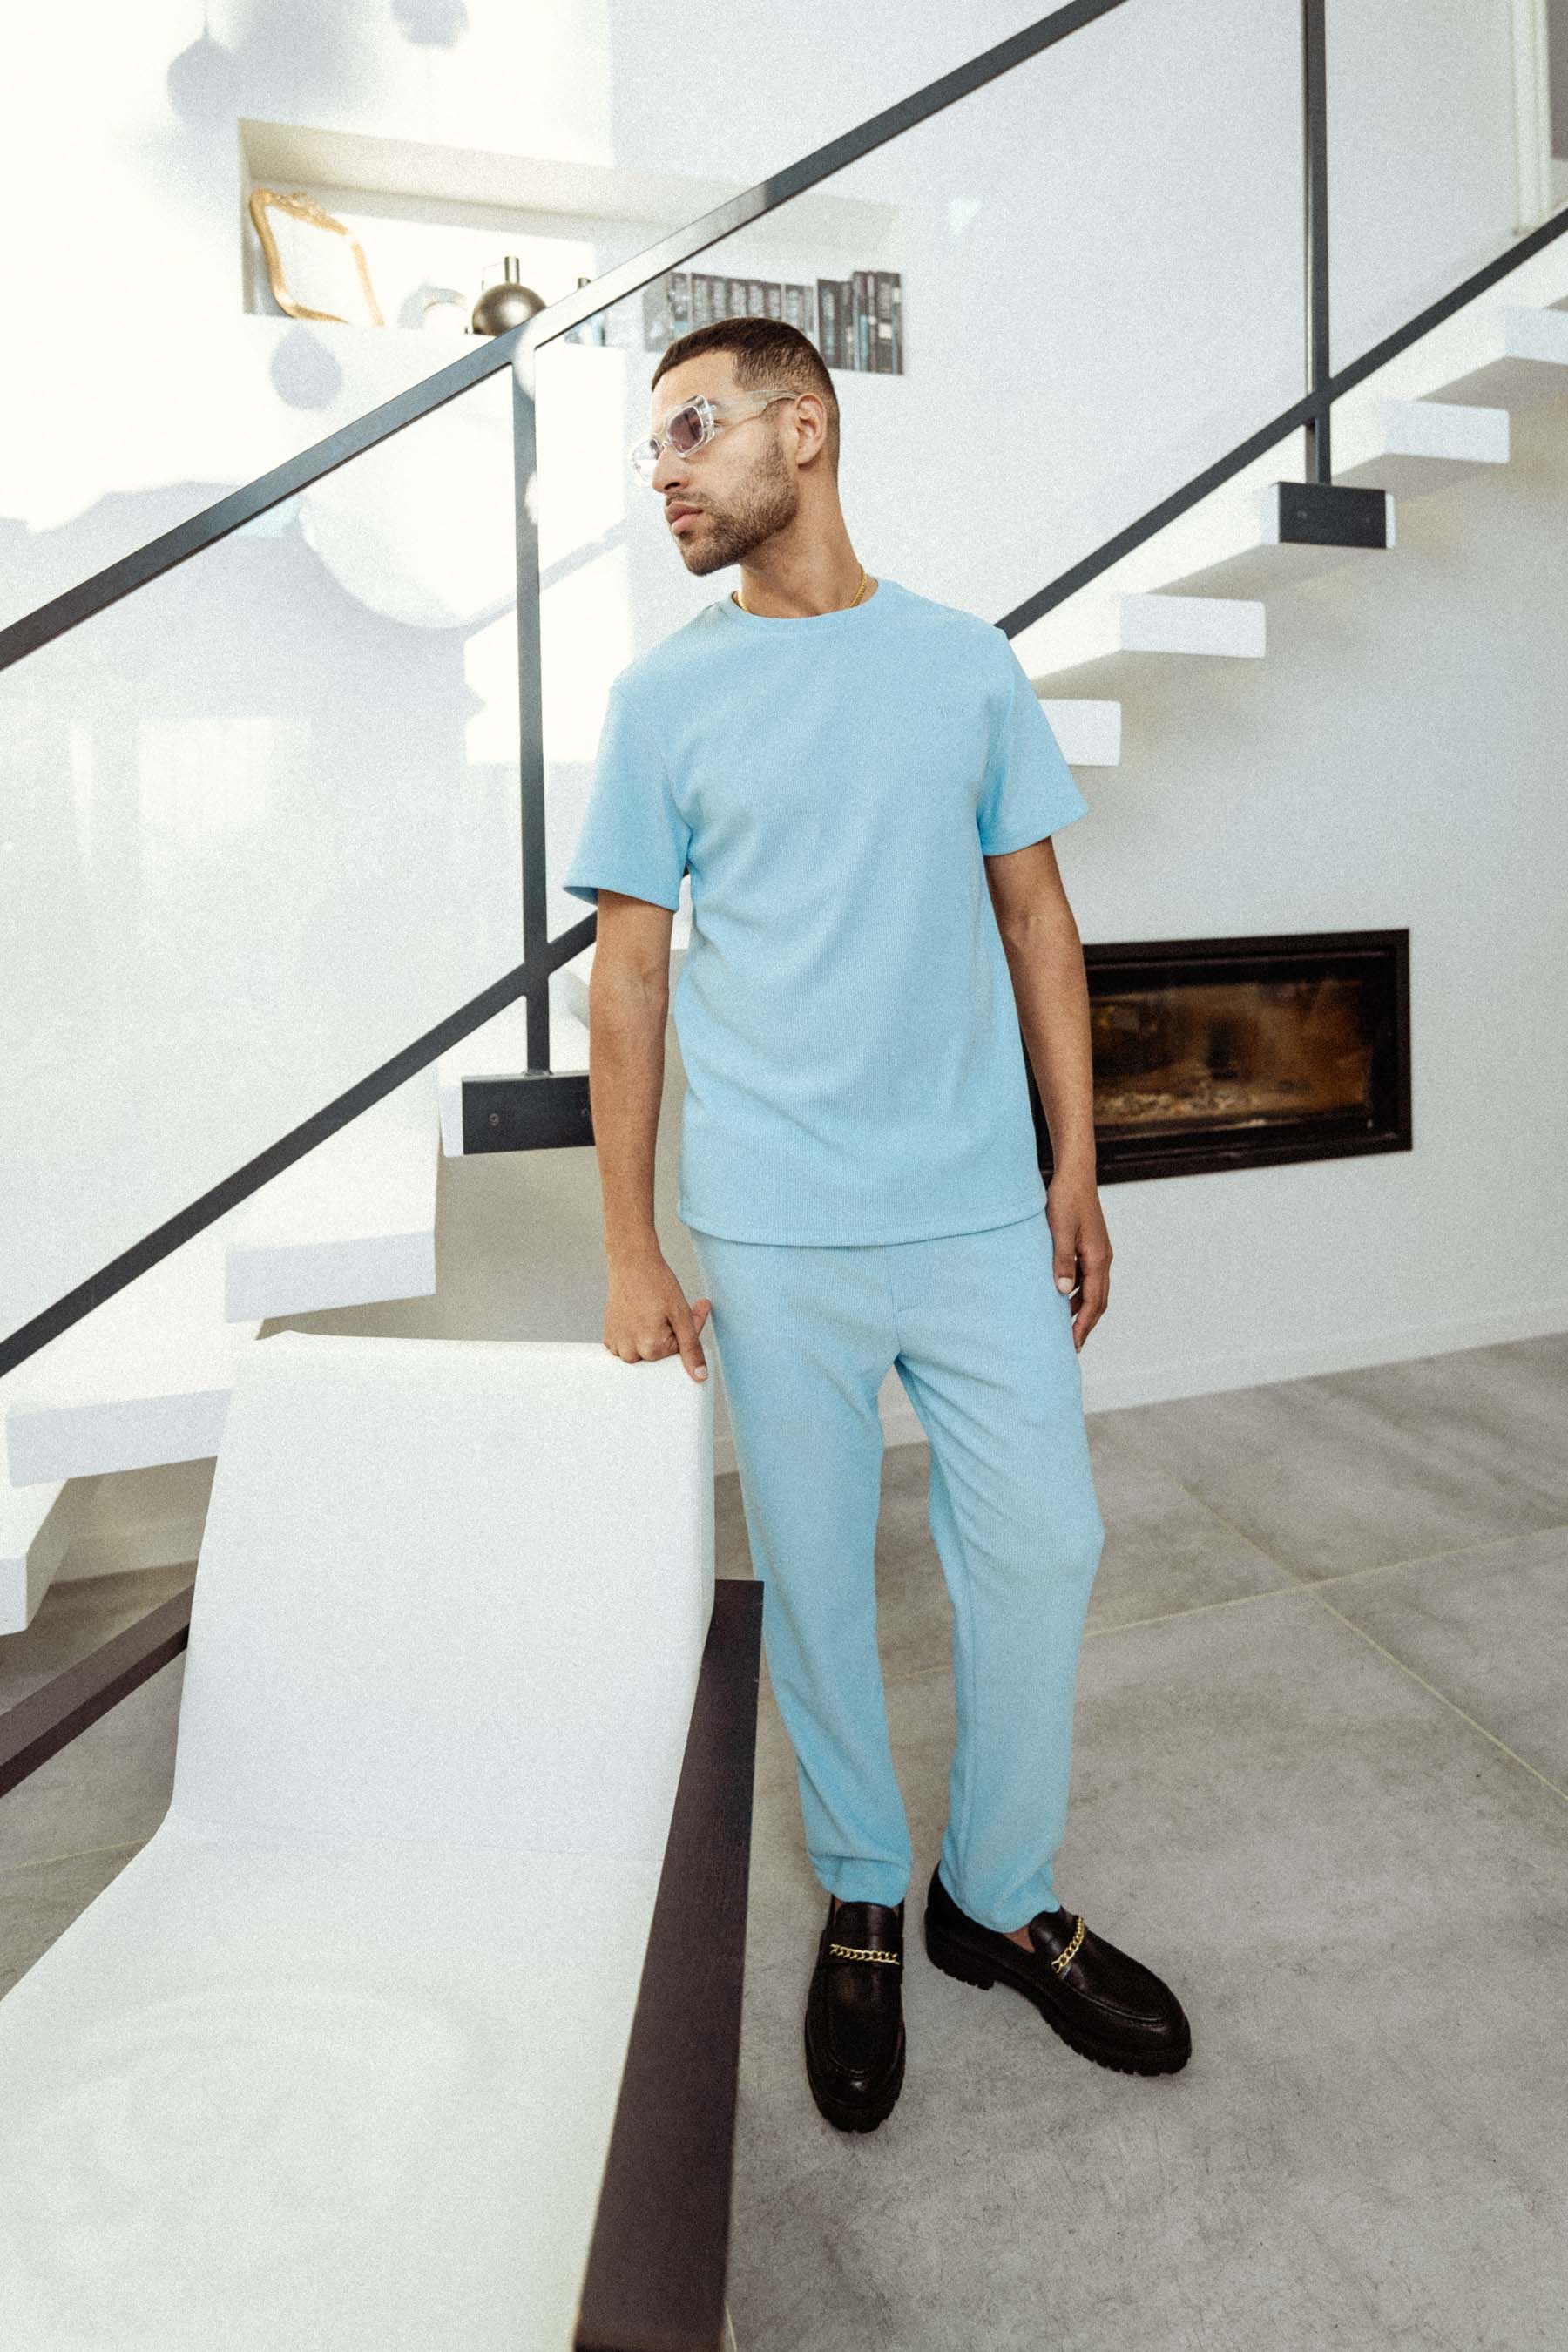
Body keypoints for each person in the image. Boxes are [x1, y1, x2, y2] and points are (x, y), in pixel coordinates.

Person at [564, 315, 1190, 2133]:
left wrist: (1076, 1163)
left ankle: (995, 1892)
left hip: (980, 1208)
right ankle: (859, 1889)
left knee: (1045, 1545)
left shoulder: (965, 665)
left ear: (806, 430)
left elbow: (1038, 921)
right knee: (822, 1581)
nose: (664, 472)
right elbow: (628, 978)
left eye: (693, 428)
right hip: (776, 1227)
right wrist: (629, 1245)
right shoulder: (662, 701)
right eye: (651, 445)